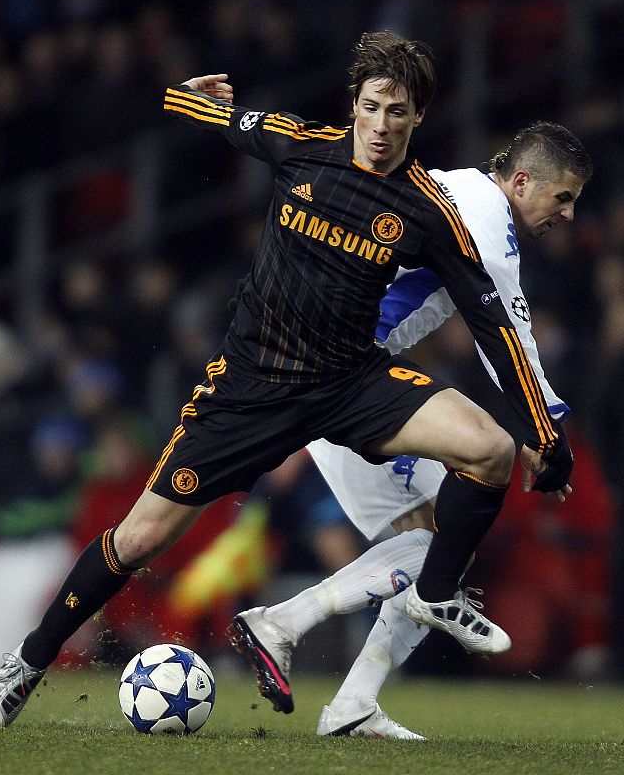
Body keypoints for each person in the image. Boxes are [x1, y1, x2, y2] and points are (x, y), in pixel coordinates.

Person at [0, 30, 573, 728]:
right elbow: (222, 121)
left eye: (398, 112)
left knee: (490, 450)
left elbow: (492, 323)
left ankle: (435, 592)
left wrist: (542, 433)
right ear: (353, 103)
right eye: (374, 106)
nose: (382, 126)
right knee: (139, 539)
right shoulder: (299, 145)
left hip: (350, 382)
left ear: (417, 120)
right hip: (251, 388)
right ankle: (29, 659)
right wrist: (182, 93)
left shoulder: (428, 212)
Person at [228, 121, 592, 738]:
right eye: (563, 197)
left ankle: (352, 705)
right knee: (442, 544)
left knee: (445, 540)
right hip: (347, 387)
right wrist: (548, 432)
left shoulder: (454, 190)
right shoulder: (485, 223)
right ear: (522, 180)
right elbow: (507, 338)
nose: (570, 213)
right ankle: (282, 623)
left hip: (348, 378)